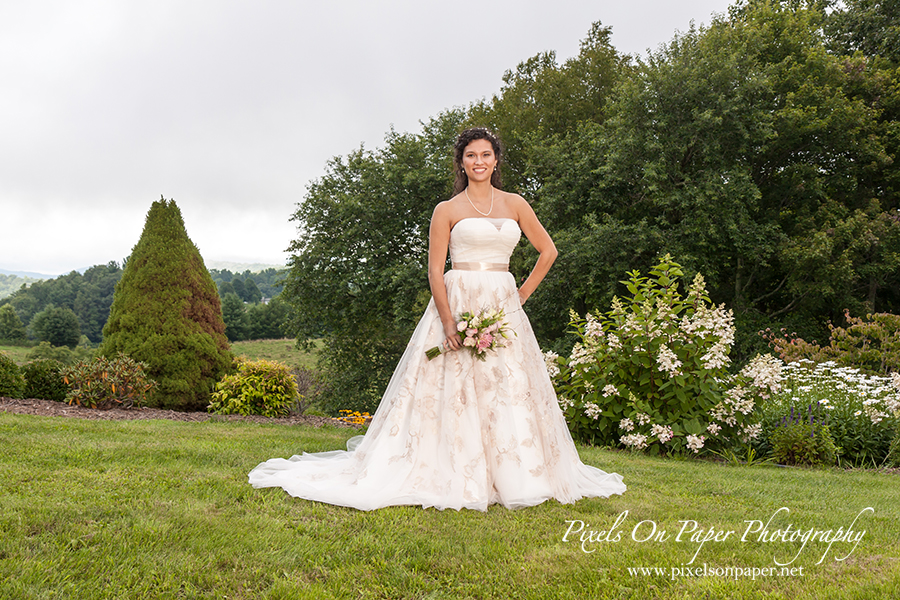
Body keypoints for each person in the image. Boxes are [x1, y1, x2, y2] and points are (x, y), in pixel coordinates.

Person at [248, 127, 625, 511]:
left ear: (496, 160)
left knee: (508, 385)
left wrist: (521, 294)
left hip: (503, 305)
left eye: (486, 155)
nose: (479, 161)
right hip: (457, 299)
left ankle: (518, 473)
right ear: (461, 162)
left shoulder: (515, 204)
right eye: (471, 155)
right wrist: (448, 322)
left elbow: (548, 251)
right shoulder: (446, 210)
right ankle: (453, 468)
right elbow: (433, 270)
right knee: (452, 386)